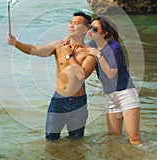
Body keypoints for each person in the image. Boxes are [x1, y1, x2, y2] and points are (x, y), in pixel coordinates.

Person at [6, 12, 96, 141]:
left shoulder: (89, 53)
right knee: (51, 140)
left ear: (85, 29)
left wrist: (68, 55)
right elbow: (36, 50)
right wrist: (16, 43)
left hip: (78, 102)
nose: (71, 25)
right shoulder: (58, 45)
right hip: (58, 100)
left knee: (76, 141)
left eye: (76, 23)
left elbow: (81, 76)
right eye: (70, 22)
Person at [85, 16, 142, 145]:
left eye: (95, 29)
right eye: (89, 27)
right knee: (114, 137)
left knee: (134, 137)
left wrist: (98, 54)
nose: (90, 31)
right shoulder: (92, 45)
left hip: (125, 93)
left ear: (104, 33)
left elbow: (111, 73)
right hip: (110, 96)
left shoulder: (114, 47)